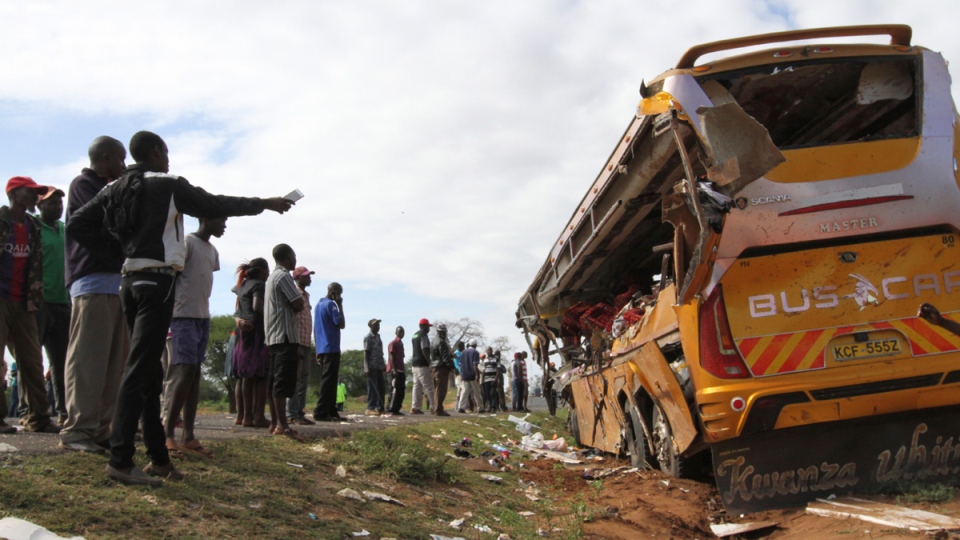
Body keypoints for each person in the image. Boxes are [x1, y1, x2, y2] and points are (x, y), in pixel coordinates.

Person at [67, 130, 293, 486]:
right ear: (155, 152)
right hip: (157, 284)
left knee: (151, 374)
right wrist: (264, 202)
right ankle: (121, 460)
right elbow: (214, 203)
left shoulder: (114, 187)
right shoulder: (168, 184)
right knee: (139, 370)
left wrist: (119, 252)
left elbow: (78, 222)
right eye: (166, 151)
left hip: (129, 283)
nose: (169, 158)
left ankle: (159, 459)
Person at [60, 136, 130, 453]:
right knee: (88, 360)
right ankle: (77, 430)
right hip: (92, 282)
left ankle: (101, 429)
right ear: (103, 158)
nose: (123, 166)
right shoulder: (83, 185)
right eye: (119, 159)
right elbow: (102, 224)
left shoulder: (113, 187)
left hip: (115, 284)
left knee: (113, 363)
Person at [161, 217, 226, 460]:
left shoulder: (212, 250)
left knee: (195, 373)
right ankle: (167, 433)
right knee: (183, 371)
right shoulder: (186, 243)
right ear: (205, 218)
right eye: (221, 220)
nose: (224, 225)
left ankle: (188, 435)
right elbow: (173, 277)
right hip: (182, 316)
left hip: (202, 316)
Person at [0, 176, 59, 433]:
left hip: (25, 302)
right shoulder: (2, 222)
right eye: (31, 191)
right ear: (14, 193)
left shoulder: (34, 226)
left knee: (33, 361)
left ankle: (40, 418)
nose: (35, 197)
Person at [263, 244, 306, 440]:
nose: (295, 259)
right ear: (288, 257)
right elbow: (299, 303)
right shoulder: (283, 276)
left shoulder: (272, 277)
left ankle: (275, 423)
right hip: (285, 336)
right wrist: (296, 302)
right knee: (282, 382)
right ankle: (283, 425)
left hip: (273, 336)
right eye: (294, 255)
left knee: (274, 381)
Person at [34, 187, 70, 425]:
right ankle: (35, 413)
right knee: (33, 360)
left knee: (62, 362)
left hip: (63, 302)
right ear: (39, 206)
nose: (57, 207)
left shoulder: (65, 231)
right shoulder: (33, 229)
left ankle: (64, 413)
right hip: (37, 303)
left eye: (59, 203)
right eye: (52, 203)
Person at [232, 258, 271, 428]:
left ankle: (244, 416)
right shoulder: (259, 285)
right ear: (262, 271)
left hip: (242, 331)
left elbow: (239, 309)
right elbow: (256, 306)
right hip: (256, 331)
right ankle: (258, 416)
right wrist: (271, 318)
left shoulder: (242, 285)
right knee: (261, 375)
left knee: (245, 375)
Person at [287, 266, 315, 426]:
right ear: (297, 278)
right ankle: (291, 414)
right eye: (306, 276)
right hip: (296, 342)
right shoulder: (295, 294)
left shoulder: (306, 296)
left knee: (303, 380)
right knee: (295, 380)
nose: (309, 278)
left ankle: (299, 412)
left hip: (305, 343)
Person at [313, 282, 345, 422]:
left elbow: (315, 328)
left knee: (331, 380)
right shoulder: (331, 305)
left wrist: (317, 349)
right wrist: (340, 305)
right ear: (334, 292)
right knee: (328, 380)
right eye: (339, 293)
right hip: (331, 346)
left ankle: (331, 410)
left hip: (322, 346)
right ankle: (320, 411)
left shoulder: (318, 305)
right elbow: (341, 324)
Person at [409, 319, 434, 415]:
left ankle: (415, 407)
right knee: (429, 387)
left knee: (417, 387)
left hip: (414, 364)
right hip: (422, 365)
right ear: (423, 326)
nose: (429, 329)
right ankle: (433, 407)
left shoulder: (414, 335)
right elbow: (424, 349)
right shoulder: (423, 335)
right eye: (428, 326)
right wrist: (429, 362)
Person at [430, 323, 454, 416]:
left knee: (437, 389)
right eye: (442, 331)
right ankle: (438, 409)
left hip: (434, 367)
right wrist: (452, 367)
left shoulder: (433, 341)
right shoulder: (442, 342)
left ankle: (436, 408)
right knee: (441, 389)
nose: (444, 333)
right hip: (442, 367)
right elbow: (445, 357)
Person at [363, 319, 386, 416]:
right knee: (373, 387)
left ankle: (380, 408)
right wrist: (366, 367)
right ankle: (370, 408)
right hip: (372, 366)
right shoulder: (368, 337)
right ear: (371, 326)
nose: (378, 326)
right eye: (376, 325)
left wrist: (383, 365)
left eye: (378, 325)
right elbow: (366, 352)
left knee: (381, 387)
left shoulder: (378, 337)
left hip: (379, 366)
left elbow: (381, 353)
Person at [385, 326, 405, 416]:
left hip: (401, 370)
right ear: (396, 333)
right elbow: (391, 356)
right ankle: (390, 408)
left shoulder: (401, 344)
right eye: (399, 332)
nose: (401, 334)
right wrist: (394, 369)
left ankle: (396, 409)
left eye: (402, 332)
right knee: (394, 389)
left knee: (401, 391)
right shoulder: (393, 343)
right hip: (393, 370)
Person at [457, 339, 481, 414]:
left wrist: (462, 374)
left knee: (464, 392)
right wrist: (477, 375)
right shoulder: (475, 352)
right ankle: (480, 407)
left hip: (464, 375)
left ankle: (461, 407)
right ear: (475, 345)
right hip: (472, 375)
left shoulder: (463, 353)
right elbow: (475, 365)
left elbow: (460, 365)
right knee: (476, 392)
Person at [480, 346, 500, 413]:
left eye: (490, 350)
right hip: (486, 379)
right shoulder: (485, 360)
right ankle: (490, 406)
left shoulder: (496, 359)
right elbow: (483, 370)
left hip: (493, 379)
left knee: (493, 393)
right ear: (487, 351)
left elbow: (498, 369)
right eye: (488, 350)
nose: (489, 351)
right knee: (487, 393)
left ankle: (493, 407)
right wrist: (482, 379)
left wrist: (496, 378)